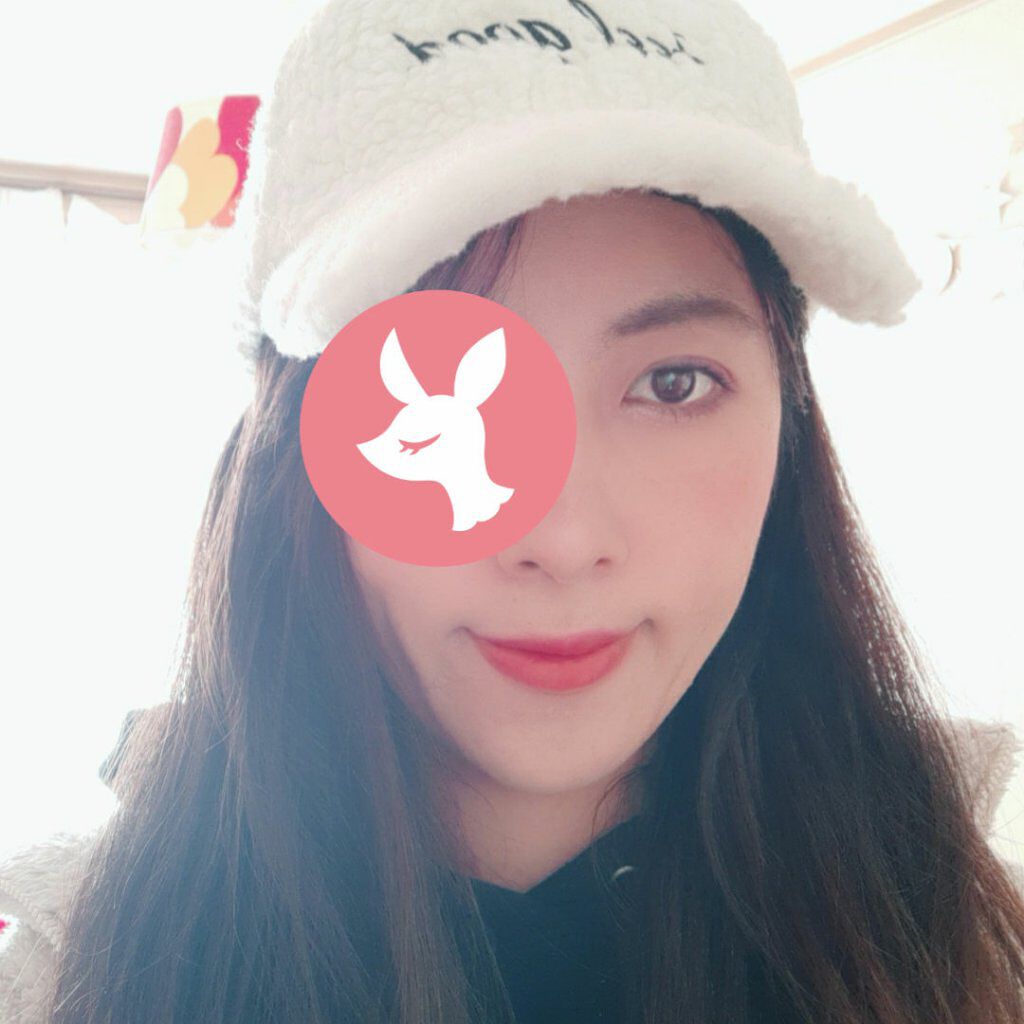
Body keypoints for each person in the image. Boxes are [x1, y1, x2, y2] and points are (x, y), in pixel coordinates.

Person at [3, 1, 1024, 1022]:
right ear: (291, 451)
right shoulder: (71, 976)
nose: (562, 539)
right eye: (424, 381)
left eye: (672, 383)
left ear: (788, 424)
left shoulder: (975, 956)